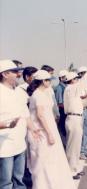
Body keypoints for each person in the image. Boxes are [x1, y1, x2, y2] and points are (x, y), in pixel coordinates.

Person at [27, 70, 76, 189]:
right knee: (42, 161)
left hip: (48, 129)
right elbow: (40, 115)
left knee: (50, 160)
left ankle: (51, 185)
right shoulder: (38, 94)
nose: (49, 82)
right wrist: (49, 133)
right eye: (48, 80)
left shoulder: (44, 93)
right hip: (41, 132)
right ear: (43, 81)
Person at [0, 60, 40, 189]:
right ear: (5, 74)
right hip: (4, 146)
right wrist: (5, 125)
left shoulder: (19, 92)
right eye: (15, 72)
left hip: (20, 144)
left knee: (19, 180)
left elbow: (25, 115)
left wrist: (33, 129)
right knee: (6, 182)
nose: (18, 75)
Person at [64, 58, 87, 179]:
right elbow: (85, 79)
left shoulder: (73, 91)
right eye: (77, 79)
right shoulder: (71, 88)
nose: (79, 80)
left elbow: (83, 104)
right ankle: (70, 171)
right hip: (73, 119)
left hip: (76, 118)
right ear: (73, 80)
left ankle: (74, 168)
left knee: (75, 147)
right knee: (72, 147)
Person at [54, 70, 68, 146]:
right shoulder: (59, 88)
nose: (66, 78)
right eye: (65, 77)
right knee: (62, 128)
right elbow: (59, 103)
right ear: (61, 78)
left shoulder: (65, 87)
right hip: (61, 111)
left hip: (65, 110)